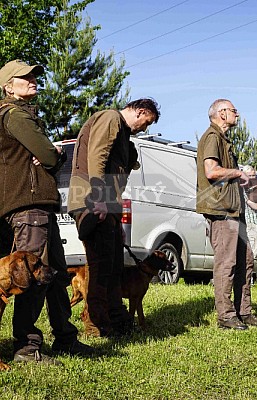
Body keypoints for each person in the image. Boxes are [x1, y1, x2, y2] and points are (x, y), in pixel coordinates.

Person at [0, 59, 94, 364]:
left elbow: (50, 155)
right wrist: (53, 154)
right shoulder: (14, 114)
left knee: (53, 274)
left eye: (33, 75)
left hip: (37, 203)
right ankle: (27, 348)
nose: (32, 80)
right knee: (31, 274)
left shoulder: (22, 114)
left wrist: (54, 153)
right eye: (24, 77)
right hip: (28, 204)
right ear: (8, 86)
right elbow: (49, 156)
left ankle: (65, 336)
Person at [68, 98, 160, 337]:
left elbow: (117, 176)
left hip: (107, 206)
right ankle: (97, 326)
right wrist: (97, 196)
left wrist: (116, 217)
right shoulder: (110, 118)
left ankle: (116, 321)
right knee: (101, 269)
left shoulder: (122, 134)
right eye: (146, 123)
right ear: (140, 112)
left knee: (112, 267)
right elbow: (97, 155)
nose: (144, 129)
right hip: (93, 201)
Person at [196, 98, 257, 330]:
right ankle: (225, 316)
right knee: (227, 264)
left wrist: (243, 175)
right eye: (234, 110)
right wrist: (238, 172)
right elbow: (211, 171)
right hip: (221, 211)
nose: (237, 114)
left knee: (245, 262)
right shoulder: (212, 137)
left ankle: (244, 312)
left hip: (235, 211)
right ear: (221, 113)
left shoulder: (224, 140)